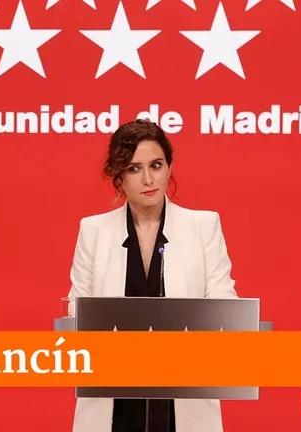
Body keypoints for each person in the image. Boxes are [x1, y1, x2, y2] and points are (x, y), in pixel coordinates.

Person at [67, 119, 239, 432]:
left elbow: (223, 302)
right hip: (113, 398)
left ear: (169, 168)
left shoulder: (203, 226)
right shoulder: (93, 230)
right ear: (119, 176)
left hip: (184, 395)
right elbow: (76, 310)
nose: (148, 179)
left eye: (156, 165)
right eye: (134, 168)